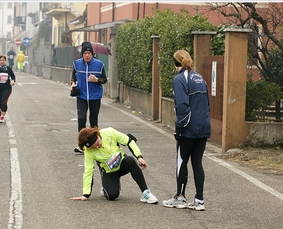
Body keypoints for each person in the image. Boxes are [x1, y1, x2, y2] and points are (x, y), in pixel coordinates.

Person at [162, 50, 211, 211]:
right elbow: (207, 103)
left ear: (176, 63)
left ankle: (180, 197)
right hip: (203, 125)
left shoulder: (179, 79)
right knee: (197, 162)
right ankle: (199, 200)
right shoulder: (200, 78)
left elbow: (182, 105)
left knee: (182, 160)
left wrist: (179, 127)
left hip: (189, 127)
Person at [71, 126, 158, 204]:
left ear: (97, 135)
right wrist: (86, 194)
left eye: (97, 143)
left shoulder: (109, 132)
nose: (97, 147)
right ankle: (106, 186)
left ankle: (145, 192)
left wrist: (139, 156)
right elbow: (88, 171)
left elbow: (129, 141)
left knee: (131, 160)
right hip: (109, 170)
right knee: (112, 196)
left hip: (121, 163)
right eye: (94, 147)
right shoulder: (88, 151)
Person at [71, 41, 107, 153]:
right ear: (82, 54)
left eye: (89, 53)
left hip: (95, 96)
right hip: (81, 95)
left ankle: (97, 142)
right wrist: (72, 85)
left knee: (93, 120)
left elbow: (104, 80)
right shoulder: (76, 64)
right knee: (81, 119)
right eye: (85, 53)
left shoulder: (99, 65)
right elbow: (73, 77)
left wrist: (96, 80)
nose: (87, 55)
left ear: (92, 54)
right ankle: (82, 146)